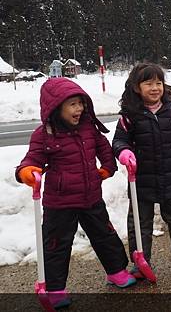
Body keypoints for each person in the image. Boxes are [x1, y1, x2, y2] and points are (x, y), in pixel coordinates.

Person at [16, 78, 135, 309]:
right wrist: (27, 172)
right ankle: (55, 287)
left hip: (91, 196)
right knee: (56, 244)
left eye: (80, 103)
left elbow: (103, 148)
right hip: (59, 202)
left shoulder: (89, 127)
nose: (79, 109)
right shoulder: (44, 134)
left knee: (106, 235)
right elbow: (31, 159)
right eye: (72, 104)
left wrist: (107, 168)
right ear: (56, 107)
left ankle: (116, 271)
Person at [112, 63, 171, 278]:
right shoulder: (129, 115)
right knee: (139, 222)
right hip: (141, 178)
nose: (155, 88)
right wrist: (124, 152)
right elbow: (119, 140)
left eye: (158, 83)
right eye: (148, 83)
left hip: (170, 175)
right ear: (137, 88)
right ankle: (140, 259)